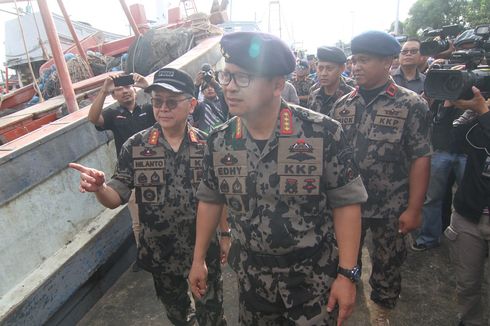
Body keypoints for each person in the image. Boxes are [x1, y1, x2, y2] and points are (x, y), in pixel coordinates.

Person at [189, 31, 368, 325]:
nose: (230, 88)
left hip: (313, 278)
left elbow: (346, 203)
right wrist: (198, 260)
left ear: (277, 85)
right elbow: (210, 199)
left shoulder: (321, 132)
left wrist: (348, 274)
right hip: (252, 281)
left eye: (243, 78)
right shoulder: (219, 141)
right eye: (226, 76)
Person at [71, 67, 227, 326]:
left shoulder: (209, 145)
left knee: (212, 314)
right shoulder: (136, 146)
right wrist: (99, 188)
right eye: (157, 102)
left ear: (191, 105)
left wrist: (225, 234)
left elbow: (217, 197)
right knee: (178, 316)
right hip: (161, 253)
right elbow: (115, 197)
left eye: (171, 102)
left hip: (203, 250)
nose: (163, 108)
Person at [331, 31, 432, 325]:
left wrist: (414, 209)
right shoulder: (342, 105)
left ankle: (382, 315)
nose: (356, 66)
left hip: (391, 207)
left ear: (388, 62)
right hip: (349, 205)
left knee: (387, 268)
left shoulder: (411, 104)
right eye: (354, 60)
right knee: (341, 262)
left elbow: (420, 157)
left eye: (364, 60)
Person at [87, 73, 155, 254]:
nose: (125, 92)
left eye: (128, 87)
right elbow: (93, 118)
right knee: (138, 221)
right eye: (119, 89)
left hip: (156, 169)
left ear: (134, 90)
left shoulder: (149, 109)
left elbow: (166, 105)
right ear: (114, 96)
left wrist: (147, 86)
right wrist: (103, 91)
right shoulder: (113, 114)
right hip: (131, 175)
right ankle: (144, 254)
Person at [444, 87, 490, 326]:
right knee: (468, 284)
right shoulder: (480, 120)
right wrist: (462, 110)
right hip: (469, 216)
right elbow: (450, 143)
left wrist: (483, 112)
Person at [308, 46, 354, 116]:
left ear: (342, 69)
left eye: (329, 69)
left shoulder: (352, 95)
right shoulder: (313, 92)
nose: (323, 73)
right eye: (320, 68)